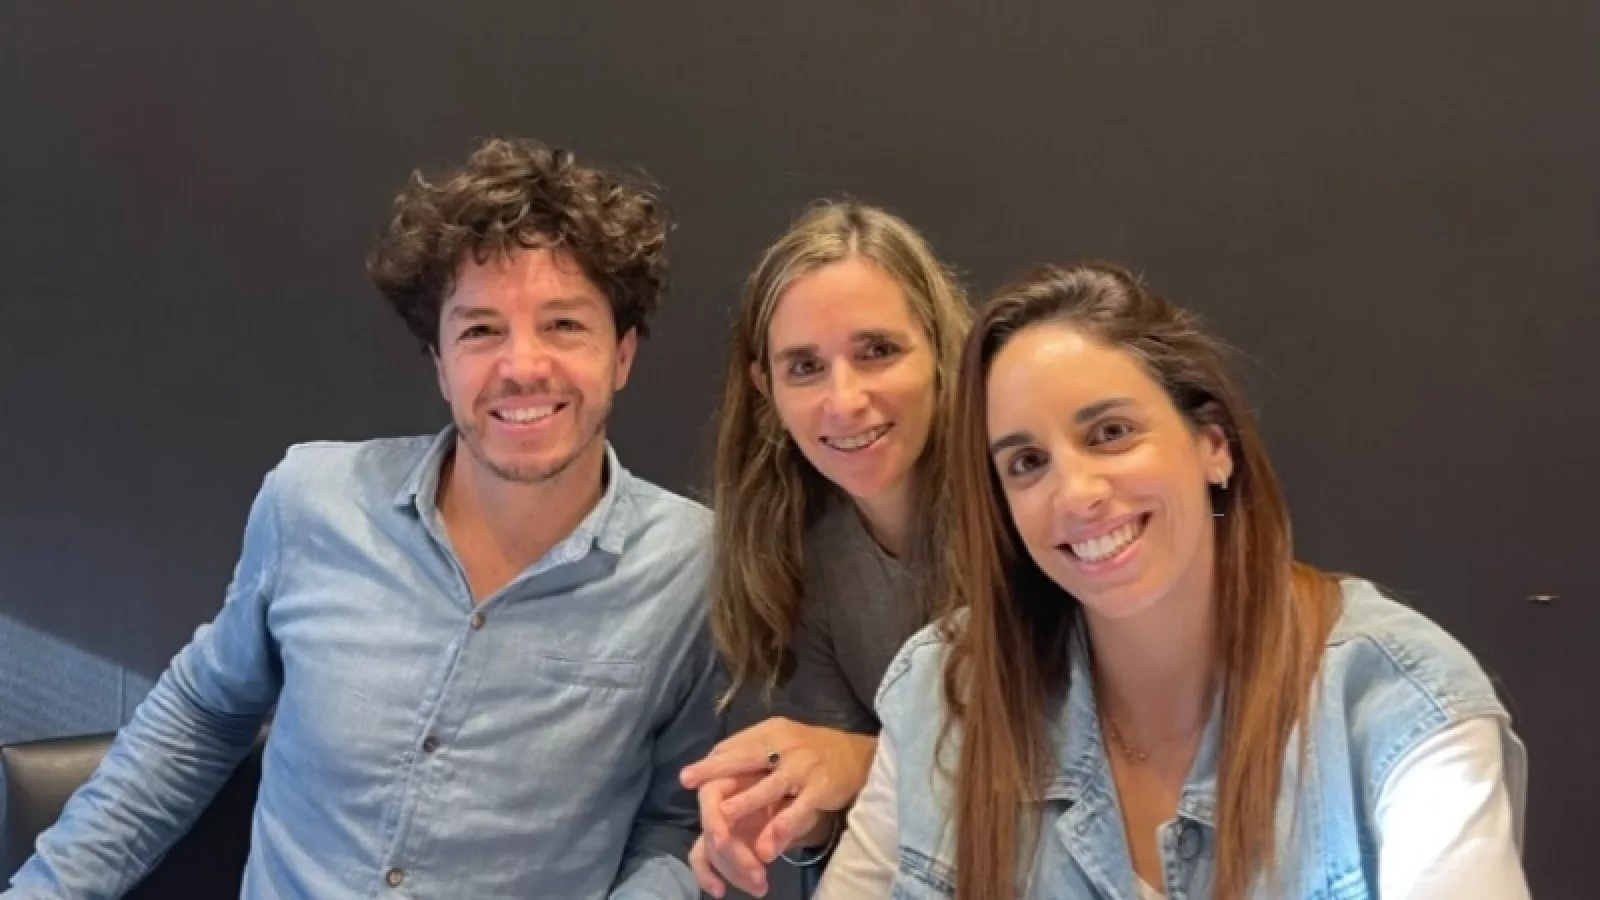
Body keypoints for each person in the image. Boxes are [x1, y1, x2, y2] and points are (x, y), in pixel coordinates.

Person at [4, 138, 718, 900]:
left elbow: (675, 824)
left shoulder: (693, 567)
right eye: (480, 330)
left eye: (564, 325)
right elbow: (202, 714)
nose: (522, 366)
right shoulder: (312, 501)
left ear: (622, 355)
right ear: (440, 364)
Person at [816, 262, 1530, 899]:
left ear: (1214, 446)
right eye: (1027, 463)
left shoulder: (1397, 701)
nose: (1076, 493)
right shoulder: (945, 695)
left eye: (1110, 433)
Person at [677, 201, 970, 898]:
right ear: (766, 388)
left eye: (878, 351)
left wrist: (854, 760)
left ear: (939, 348)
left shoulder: (1031, 504)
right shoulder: (798, 555)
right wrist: (785, 812)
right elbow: (859, 825)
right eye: (805, 367)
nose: (844, 401)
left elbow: (1071, 755)